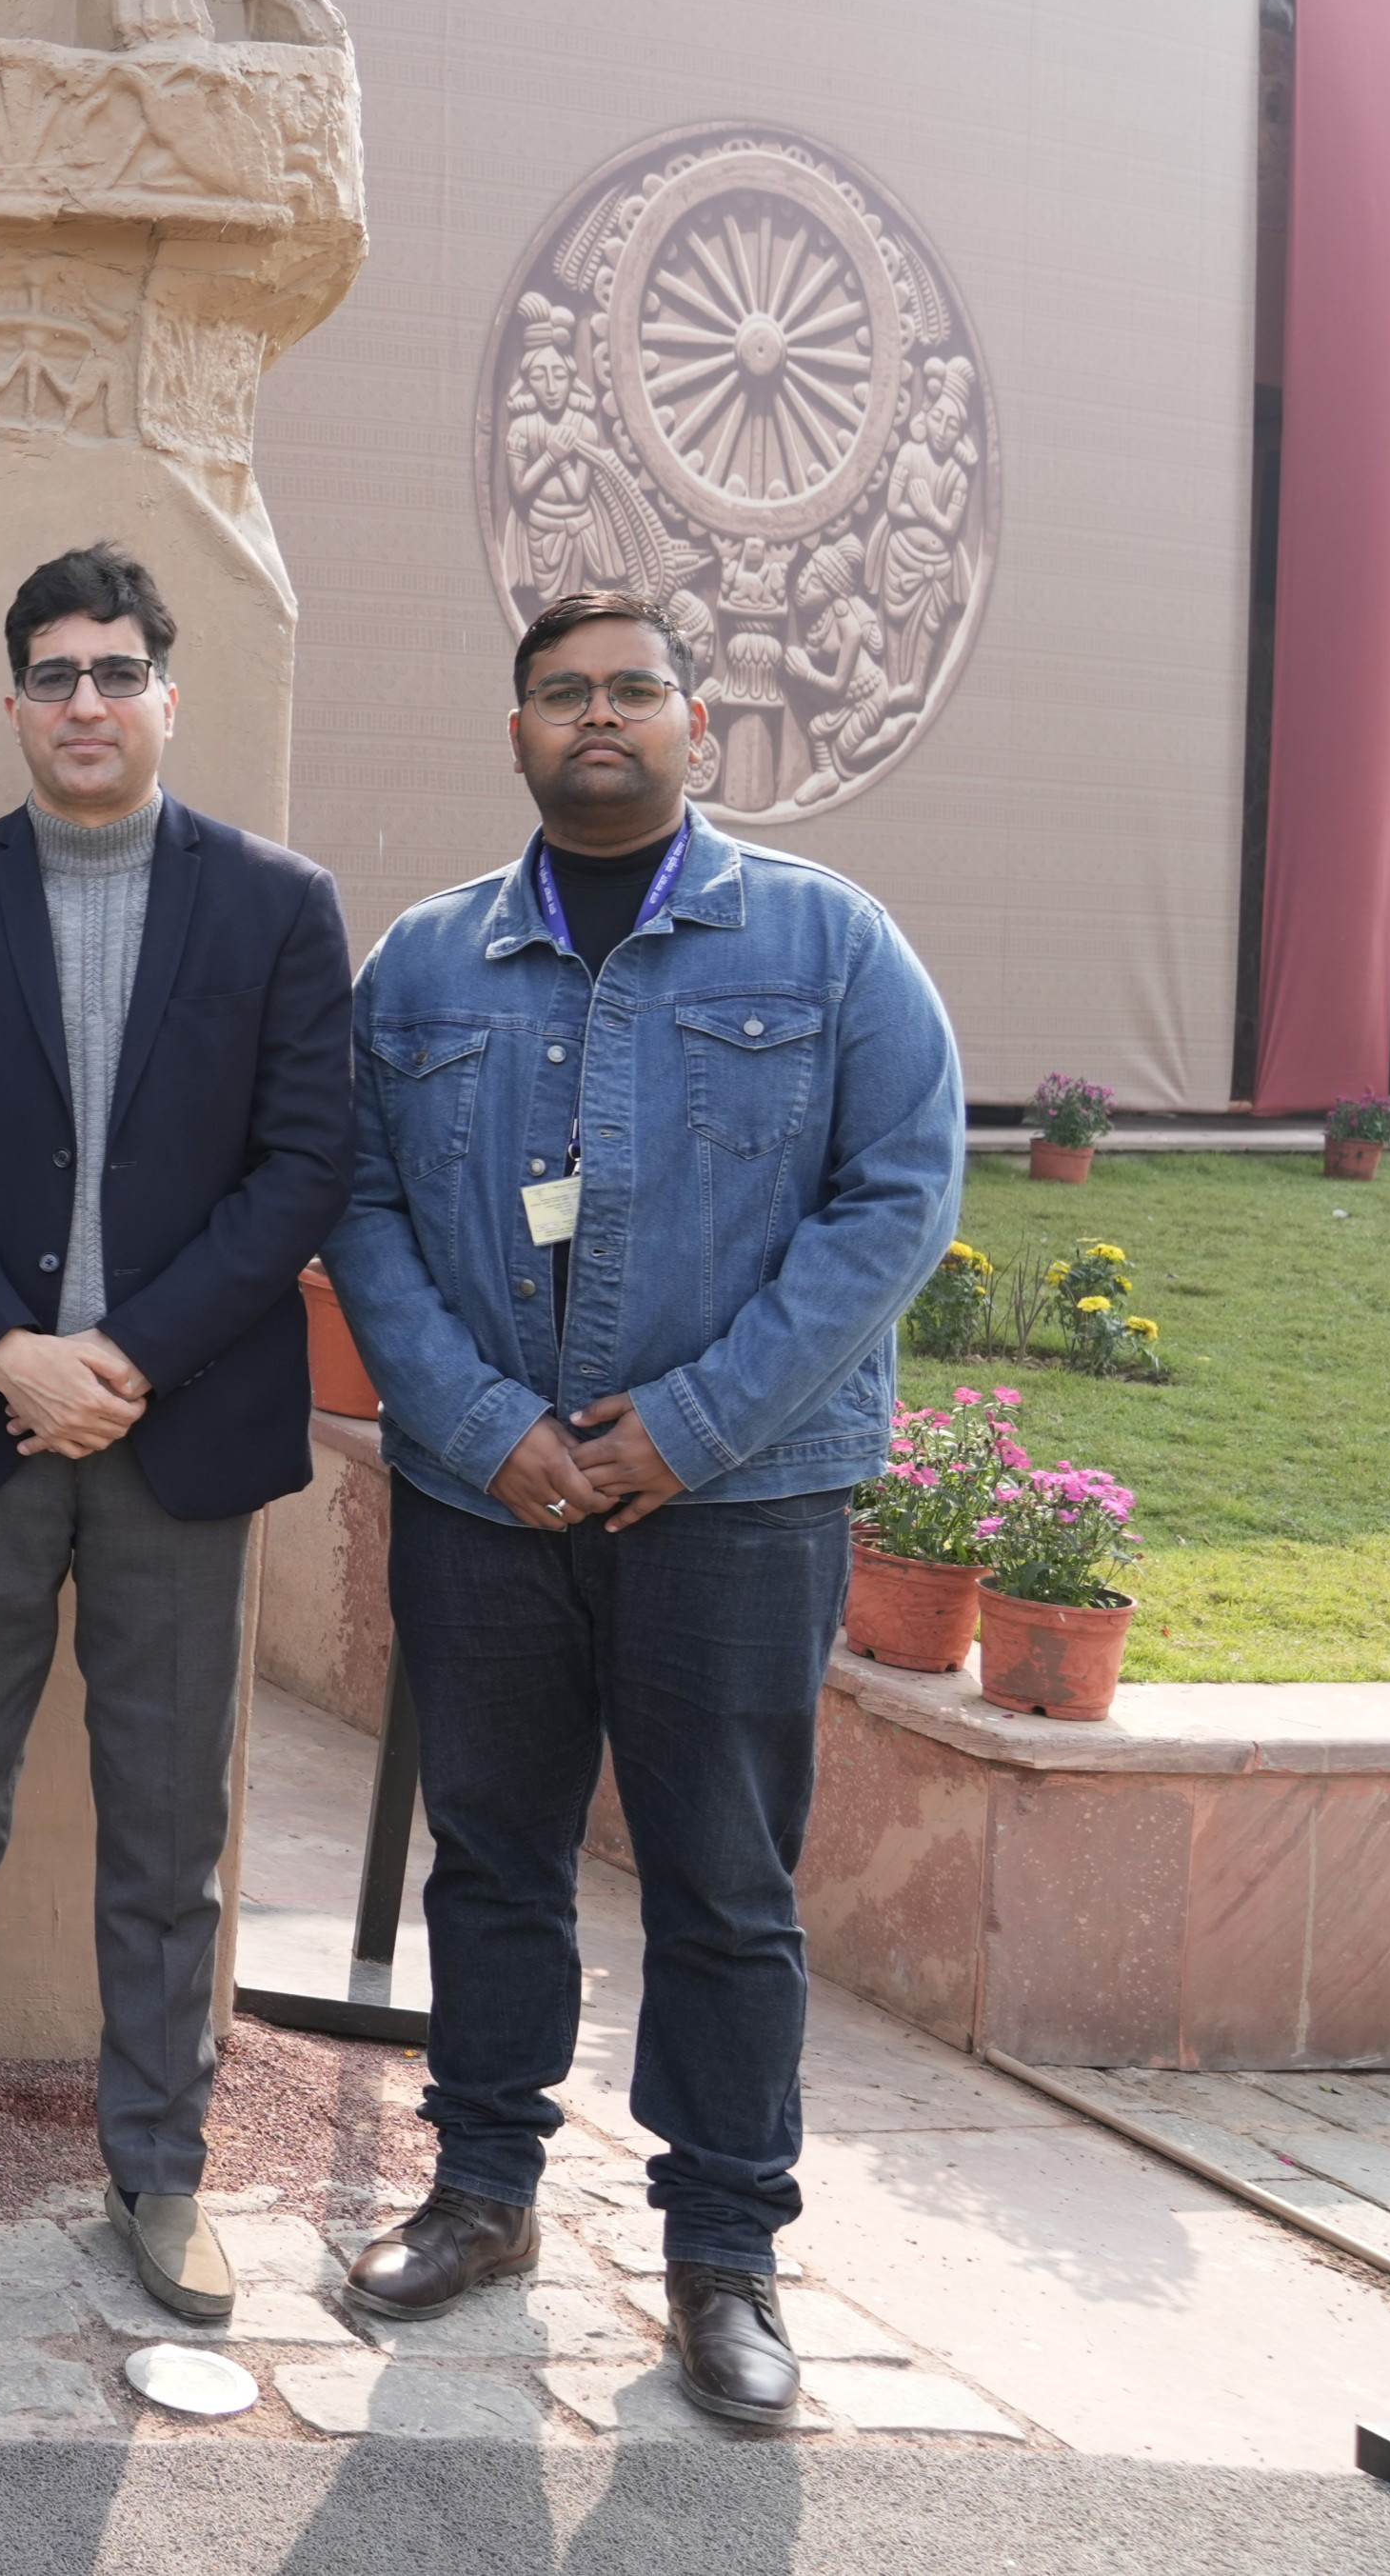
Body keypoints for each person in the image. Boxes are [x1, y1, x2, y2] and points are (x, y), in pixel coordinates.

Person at [321, 585, 962, 2427]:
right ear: (514, 733)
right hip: (487, 1499)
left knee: (727, 1887)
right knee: (497, 1857)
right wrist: (476, 1420)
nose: (598, 717)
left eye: (631, 691)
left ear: (695, 723)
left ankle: (725, 2255)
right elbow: (358, 1205)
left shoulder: (831, 945)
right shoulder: (424, 965)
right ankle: (484, 2197)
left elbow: (898, 1196)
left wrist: (688, 1423)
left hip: (741, 1506)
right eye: (560, 695)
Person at [0, 545, 353, 2318]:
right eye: (53, 674)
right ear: (14, 703)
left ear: (165, 694)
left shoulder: (279, 907)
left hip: (181, 1433)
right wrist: (11, 1352)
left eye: (117, 672)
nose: (85, 703)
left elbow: (301, 1170)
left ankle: (160, 2172)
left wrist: (118, 1354)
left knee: (164, 1829)